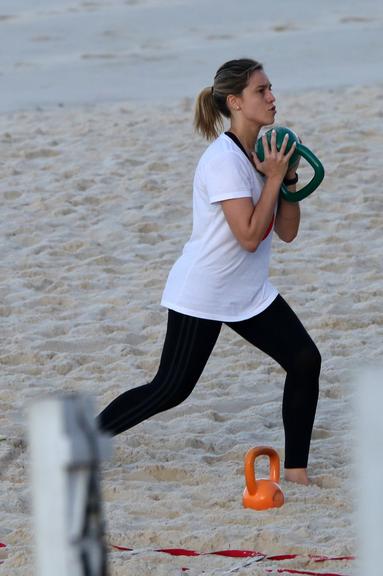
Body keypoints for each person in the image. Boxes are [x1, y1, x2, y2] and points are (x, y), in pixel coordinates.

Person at [97, 58, 321, 485]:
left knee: (305, 359)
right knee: (171, 388)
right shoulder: (223, 161)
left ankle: (296, 473)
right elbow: (250, 236)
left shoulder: (265, 153)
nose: (273, 98)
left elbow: (287, 232)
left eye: (271, 88)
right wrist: (272, 179)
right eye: (261, 91)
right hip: (205, 289)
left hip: (249, 291)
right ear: (235, 101)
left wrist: (287, 178)